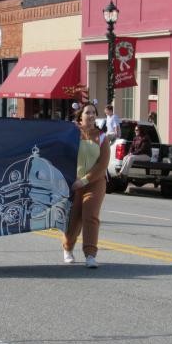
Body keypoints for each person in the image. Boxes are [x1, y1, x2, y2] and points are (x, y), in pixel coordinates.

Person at [62, 102, 111, 268]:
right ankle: (67, 248)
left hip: (94, 182)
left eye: (94, 113)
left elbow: (102, 164)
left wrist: (83, 181)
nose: (91, 116)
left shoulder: (102, 137)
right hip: (73, 182)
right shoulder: (72, 134)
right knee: (74, 218)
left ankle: (90, 255)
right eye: (88, 112)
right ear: (80, 116)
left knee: (90, 215)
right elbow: (63, 155)